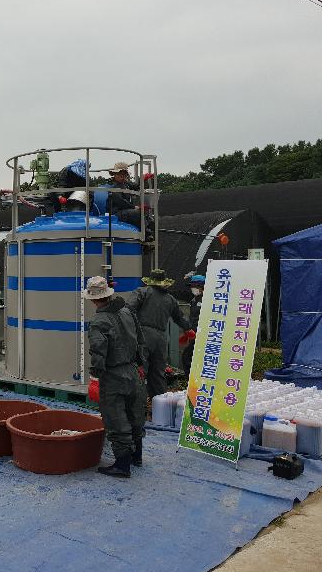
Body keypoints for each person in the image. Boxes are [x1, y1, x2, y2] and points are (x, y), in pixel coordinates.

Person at [84, 276, 147, 478]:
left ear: (93, 299)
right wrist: (140, 364)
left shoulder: (99, 322)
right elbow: (140, 340)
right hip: (133, 371)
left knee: (116, 418)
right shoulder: (127, 311)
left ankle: (122, 465)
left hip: (113, 375)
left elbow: (98, 352)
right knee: (135, 414)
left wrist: (95, 377)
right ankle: (137, 456)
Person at [126, 269, 194, 399]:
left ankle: (137, 404)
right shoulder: (170, 299)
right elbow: (179, 318)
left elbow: (128, 309)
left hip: (143, 336)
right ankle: (160, 404)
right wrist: (188, 329)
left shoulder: (142, 292)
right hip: (161, 339)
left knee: (139, 370)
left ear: (150, 281)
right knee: (158, 373)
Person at [106, 162, 155, 239]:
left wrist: (143, 179)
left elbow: (136, 186)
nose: (122, 177)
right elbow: (120, 202)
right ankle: (146, 234)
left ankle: (149, 230)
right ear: (115, 175)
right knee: (137, 213)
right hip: (115, 213)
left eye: (124, 175)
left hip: (125, 210)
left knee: (146, 216)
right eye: (120, 174)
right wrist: (134, 207)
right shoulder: (113, 186)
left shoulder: (125, 184)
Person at [180, 272, 205, 375]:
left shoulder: (207, 299)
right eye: (192, 286)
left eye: (195, 286)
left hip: (202, 335)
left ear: (202, 287)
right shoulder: (194, 299)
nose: (193, 288)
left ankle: (191, 380)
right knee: (189, 357)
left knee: (187, 357)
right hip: (193, 334)